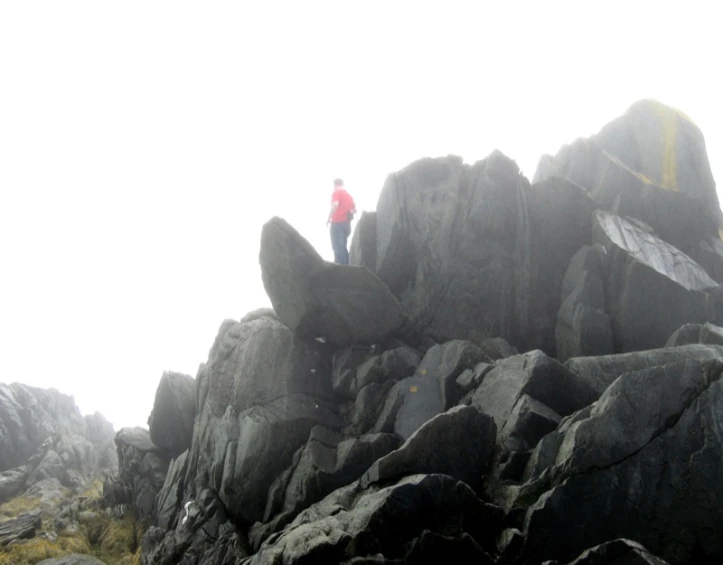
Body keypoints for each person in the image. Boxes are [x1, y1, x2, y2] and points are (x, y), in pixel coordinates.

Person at [326, 178, 356, 264]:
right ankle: (347, 267)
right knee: (343, 247)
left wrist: (329, 218)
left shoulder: (336, 192)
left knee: (337, 247)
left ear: (335, 185)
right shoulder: (349, 196)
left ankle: (342, 268)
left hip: (337, 223)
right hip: (347, 224)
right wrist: (349, 212)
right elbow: (354, 210)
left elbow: (335, 204)